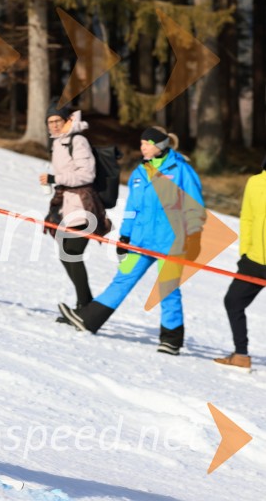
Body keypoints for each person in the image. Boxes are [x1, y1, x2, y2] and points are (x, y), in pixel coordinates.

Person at [58, 126, 205, 355]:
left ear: (160, 146)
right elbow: (131, 208)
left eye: (147, 143)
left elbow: (195, 208)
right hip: (139, 242)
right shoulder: (139, 172)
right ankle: (89, 319)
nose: (142, 147)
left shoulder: (181, 170)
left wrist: (193, 236)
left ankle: (171, 340)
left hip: (171, 243)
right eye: (142, 143)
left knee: (168, 290)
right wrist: (125, 236)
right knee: (121, 280)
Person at [40, 103, 111, 321]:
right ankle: (85, 304)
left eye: (57, 121)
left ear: (67, 121)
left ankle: (85, 306)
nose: (53, 125)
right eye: (50, 122)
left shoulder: (77, 141)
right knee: (65, 253)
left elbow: (86, 175)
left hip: (83, 204)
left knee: (72, 252)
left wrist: (55, 179)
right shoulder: (60, 142)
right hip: (66, 205)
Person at [215, 154, 266, 370]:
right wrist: (245, 252)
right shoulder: (255, 182)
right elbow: (247, 218)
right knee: (233, 301)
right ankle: (241, 354)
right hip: (254, 260)